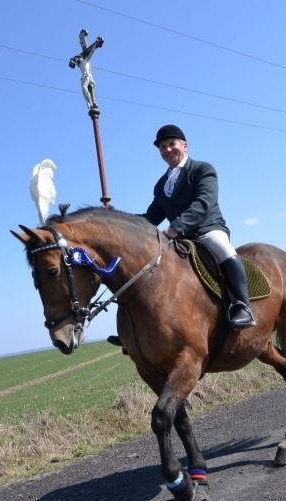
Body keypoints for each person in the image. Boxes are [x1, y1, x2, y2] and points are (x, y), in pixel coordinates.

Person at [109, 125, 254, 351]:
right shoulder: (161, 184)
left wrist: (176, 227)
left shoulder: (202, 169)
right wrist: (117, 218)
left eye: (171, 144)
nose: (167, 149)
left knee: (223, 248)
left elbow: (204, 203)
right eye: (162, 147)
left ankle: (242, 306)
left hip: (206, 229)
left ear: (184, 146)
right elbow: (151, 217)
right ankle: (140, 327)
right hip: (175, 238)